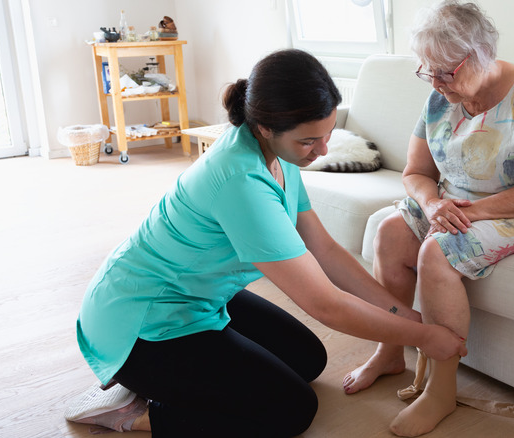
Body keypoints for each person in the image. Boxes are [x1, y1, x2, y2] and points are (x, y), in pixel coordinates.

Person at [64, 49, 467, 438]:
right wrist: (425, 337)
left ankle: (167, 383)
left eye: (327, 135)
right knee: (291, 411)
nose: (322, 151)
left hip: (195, 296)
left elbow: (324, 250)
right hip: (140, 324)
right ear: (264, 127)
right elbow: (325, 304)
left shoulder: (281, 157)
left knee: (308, 360)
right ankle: (135, 410)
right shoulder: (240, 180)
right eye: (310, 141)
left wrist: (404, 317)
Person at [341, 2, 514, 436]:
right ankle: (390, 350)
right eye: (426, 71)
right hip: (457, 200)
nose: (434, 83)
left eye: (444, 72)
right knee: (390, 231)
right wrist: (434, 204)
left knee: (439, 250)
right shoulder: (441, 95)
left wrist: (463, 213)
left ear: (478, 55)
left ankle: (442, 389)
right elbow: (416, 173)